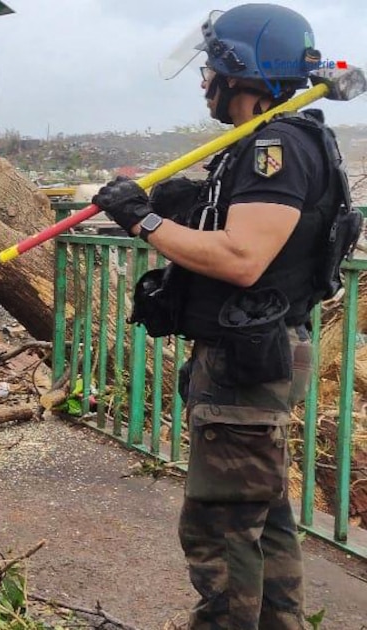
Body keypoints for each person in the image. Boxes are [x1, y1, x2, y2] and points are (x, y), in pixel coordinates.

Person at [91, 5, 360, 629]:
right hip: (247, 359)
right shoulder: (262, 144)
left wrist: (145, 223)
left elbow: (243, 258)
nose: (203, 78)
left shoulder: (276, 146)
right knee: (262, 523)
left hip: (247, 368)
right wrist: (170, 206)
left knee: (221, 532)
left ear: (240, 73)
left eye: (211, 65)